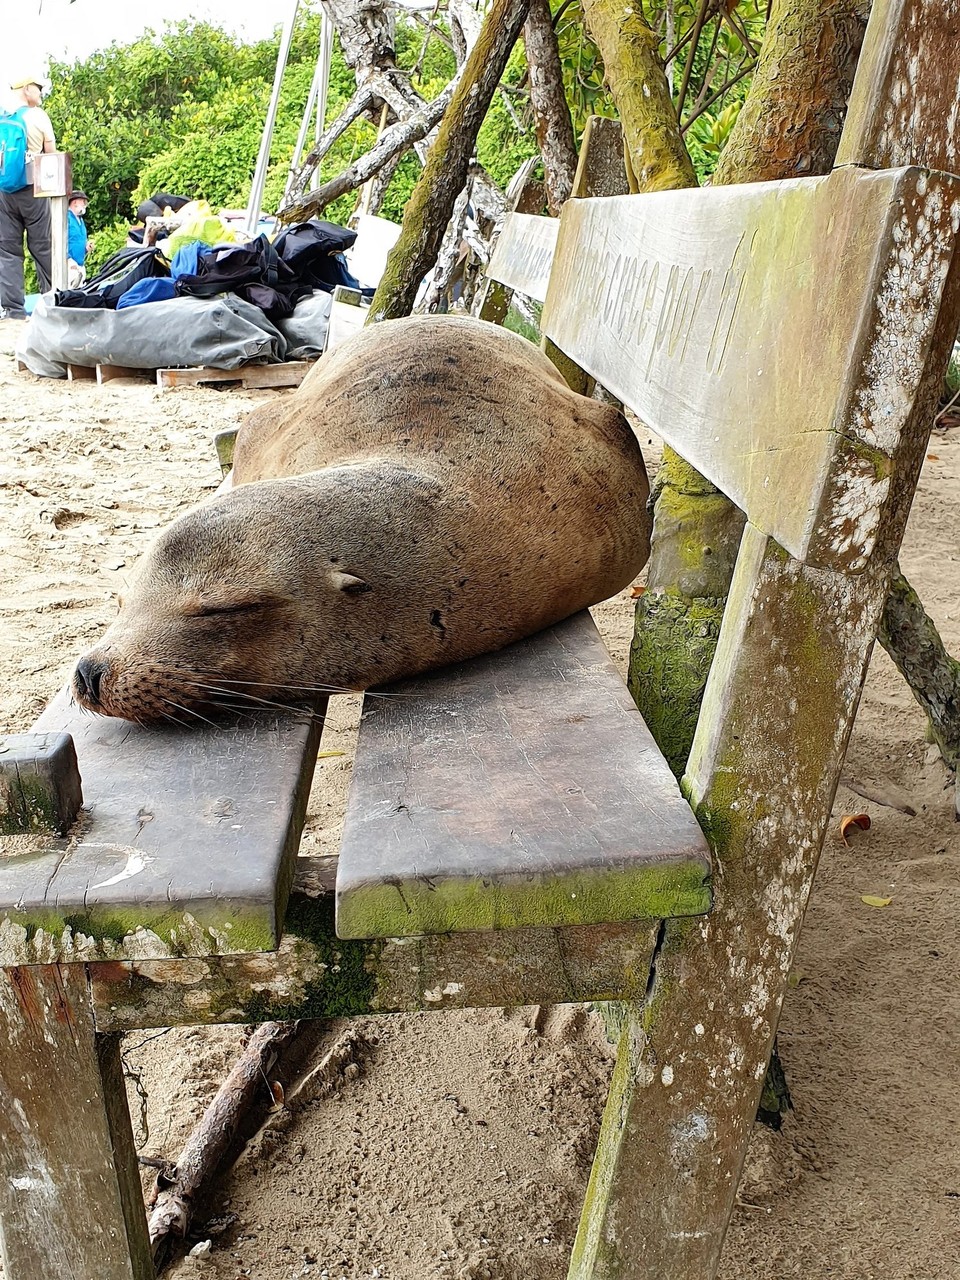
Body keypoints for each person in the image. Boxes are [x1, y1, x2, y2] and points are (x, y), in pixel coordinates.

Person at [0, 75, 56, 319]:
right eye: (39, 89)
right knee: (43, 246)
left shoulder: (3, 116)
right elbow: (52, 155)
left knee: (8, 251)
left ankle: (13, 310)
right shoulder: (38, 115)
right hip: (34, 188)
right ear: (27, 89)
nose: (41, 94)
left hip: (4, 191)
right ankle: (52, 302)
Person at [67, 189, 92, 287]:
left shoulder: (80, 221)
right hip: (69, 266)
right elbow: (59, 242)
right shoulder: (66, 218)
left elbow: (78, 241)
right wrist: (68, 260)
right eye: (83, 202)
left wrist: (86, 248)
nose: (85, 204)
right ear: (75, 202)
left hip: (80, 265)